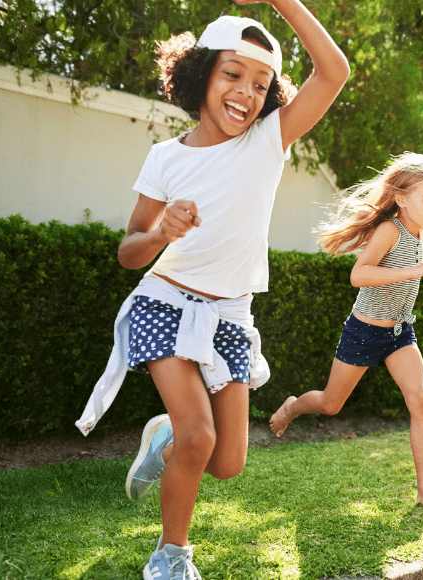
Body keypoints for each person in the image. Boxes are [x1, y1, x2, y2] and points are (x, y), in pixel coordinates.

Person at [74, 1, 349, 577]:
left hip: (230, 316)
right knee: (200, 438)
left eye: (261, 82)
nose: (246, 93)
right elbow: (129, 251)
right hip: (164, 302)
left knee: (225, 463)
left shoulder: (268, 142)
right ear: (200, 74)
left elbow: (334, 73)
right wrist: (158, 232)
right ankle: (170, 558)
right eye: (232, 74)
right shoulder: (165, 158)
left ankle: (162, 442)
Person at [267, 152, 423, 507]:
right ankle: (293, 407)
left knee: (421, 399)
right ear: (401, 198)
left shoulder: (419, 232)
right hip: (364, 332)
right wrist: (417, 270)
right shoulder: (391, 230)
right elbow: (360, 274)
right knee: (330, 404)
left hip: (399, 333)